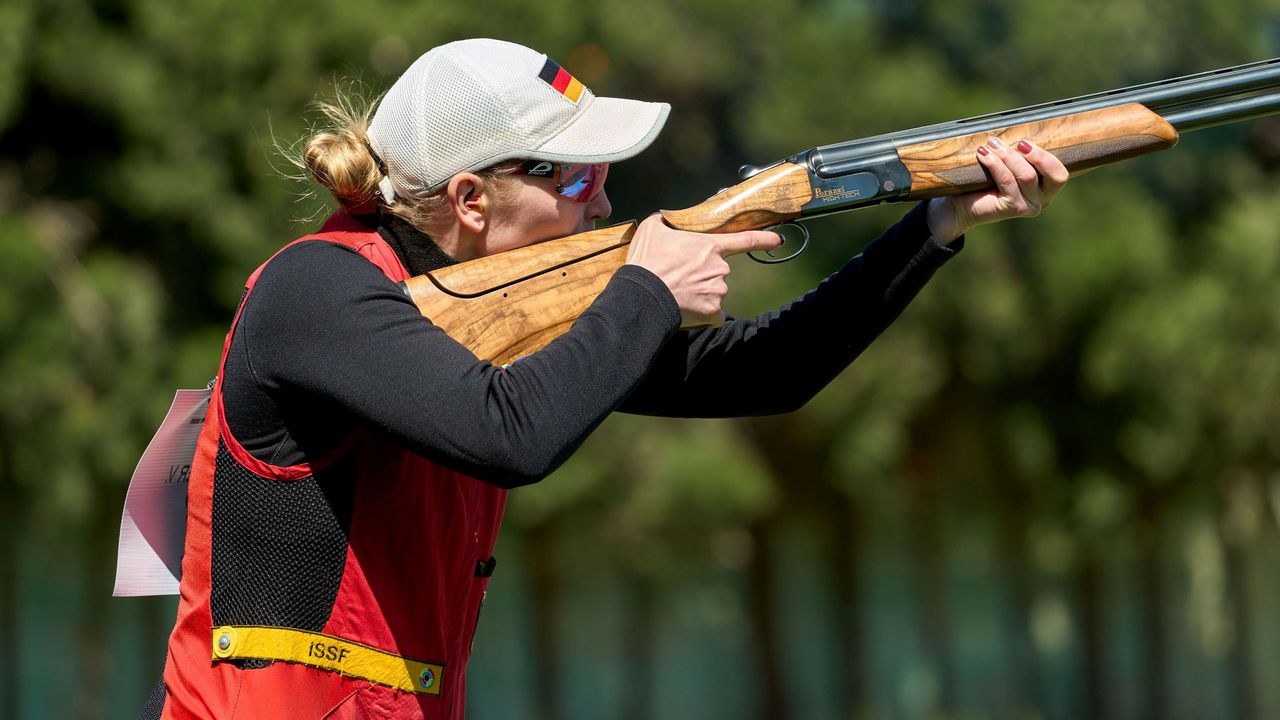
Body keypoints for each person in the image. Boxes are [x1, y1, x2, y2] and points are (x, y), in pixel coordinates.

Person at [143, 38, 1067, 719]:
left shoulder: (478, 307)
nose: (607, 199)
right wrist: (645, 286)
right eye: (580, 178)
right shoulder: (318, 288)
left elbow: (768, 370)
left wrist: (936, 227)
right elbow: (509, 436)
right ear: (471, 199)